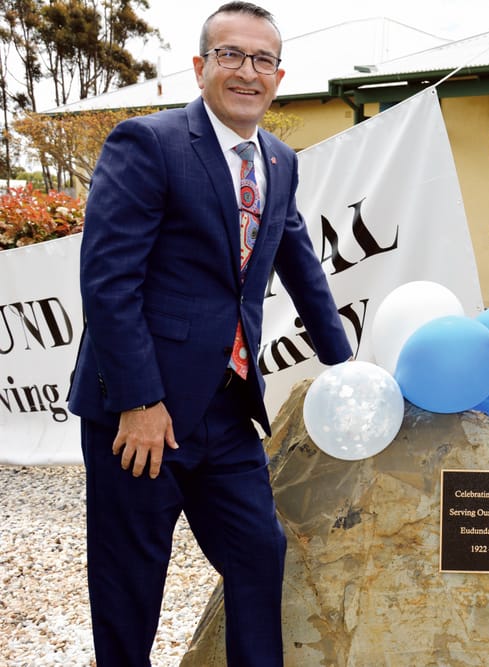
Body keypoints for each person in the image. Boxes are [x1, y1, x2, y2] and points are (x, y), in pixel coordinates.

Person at [66, 3, 353, 665]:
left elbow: (302, 268)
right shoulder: (149, 143)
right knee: (131, 585)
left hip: (227, 407)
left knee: (259, 550)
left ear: (278, 75)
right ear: (201, 66)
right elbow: (109, 282)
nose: (247, 71)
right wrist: (138, 401)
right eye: (231, 55)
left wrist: (347, 370)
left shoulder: (279, 161)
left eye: (262, 60)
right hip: (141, 412)